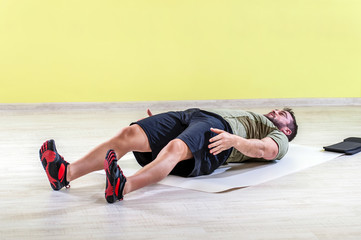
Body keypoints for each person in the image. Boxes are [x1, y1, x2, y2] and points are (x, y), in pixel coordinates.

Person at [39, 107, 298, 203]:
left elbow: (266, 151)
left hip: (221, 134)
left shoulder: (278, 138)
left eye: (281, 115)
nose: (275, 112)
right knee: (129, 134)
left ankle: (123, 186)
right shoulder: (256, 116)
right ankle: (64, 173)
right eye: (276, 110)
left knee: (175, 148)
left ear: (287, 129)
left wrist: (234, 140)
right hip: (194, 115)